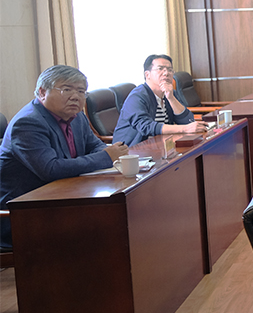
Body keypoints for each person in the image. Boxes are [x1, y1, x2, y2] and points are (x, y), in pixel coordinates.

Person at [1, 66, 130, 248]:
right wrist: (106, 157)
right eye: (67, 89)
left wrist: (106, 154)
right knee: (106, 228)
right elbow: (51, 169)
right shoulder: (28, 123)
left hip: (64, 199)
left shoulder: (77, 117)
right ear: (42, 92)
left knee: (119, 220)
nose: (75, 97)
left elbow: (95, 146)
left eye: (81, 91)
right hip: (24, 214)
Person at [112, 54, 208, 147]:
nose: (166, 73)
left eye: (170, 70)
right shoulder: (137, 97)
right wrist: (184, 129)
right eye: (160, 69)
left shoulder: (170, 93)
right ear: (147, 74)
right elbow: (146, 127)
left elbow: (187, 121)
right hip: (132, 151)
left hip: (161, 146)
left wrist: (171, 98)